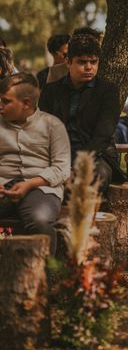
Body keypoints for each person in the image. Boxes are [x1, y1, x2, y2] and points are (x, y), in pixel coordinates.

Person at [39, 35, 125, 195]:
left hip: (95, 156)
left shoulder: (107, 91)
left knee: (96, 177)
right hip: (57, 155)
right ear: (68, 62)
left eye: (93, 62)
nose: (89, 67)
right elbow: (44, 130)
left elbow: (103, 135)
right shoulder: (51, 91)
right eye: (82, 62)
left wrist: (77, 165)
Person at [0, 73, 71, 254]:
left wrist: (31, 183)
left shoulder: (52, 125)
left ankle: (41, 281)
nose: (0, 106)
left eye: (5, 101)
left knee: (41, 222)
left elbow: (62, 168)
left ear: (26, 103)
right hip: (3, 184)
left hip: (41, 189)